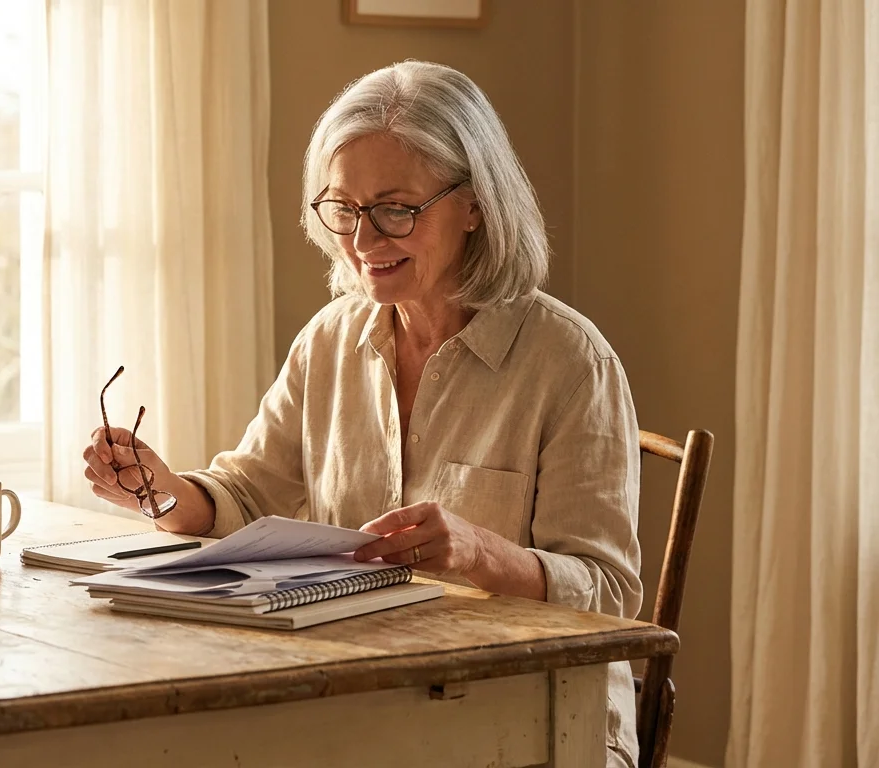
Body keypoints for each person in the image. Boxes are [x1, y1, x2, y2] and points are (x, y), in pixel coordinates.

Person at [82, 59, 643, 768]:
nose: (363, 241)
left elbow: (613, 596)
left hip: (542, 717)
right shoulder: (330, 339)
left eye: (396, 209)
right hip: (369, 701)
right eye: (344, 208)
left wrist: (480, 553)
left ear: (475, 205)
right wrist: (159, 488)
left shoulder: (570, 363)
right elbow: (247, 494)